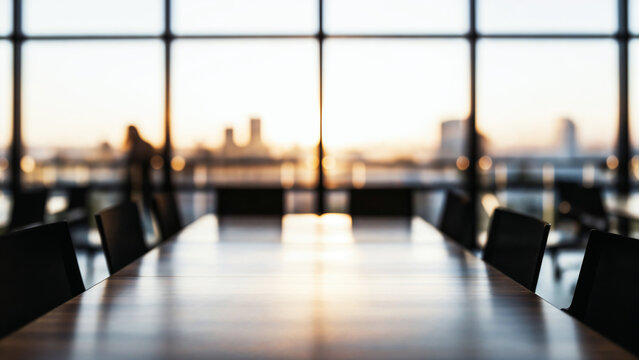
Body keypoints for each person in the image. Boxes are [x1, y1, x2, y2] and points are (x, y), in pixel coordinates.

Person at [123, 125, 155, 207]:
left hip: (141, 181)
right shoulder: (141, 145)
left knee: (141, 205)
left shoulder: (136, 147)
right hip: (141, 181)